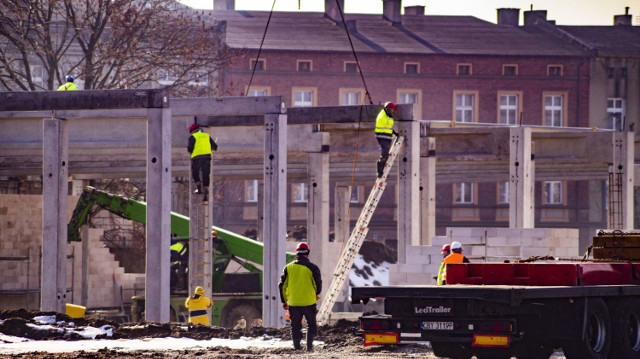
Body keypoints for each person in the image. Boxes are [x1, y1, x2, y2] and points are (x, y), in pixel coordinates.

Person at [279, 242, 322, 352]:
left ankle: (297, 347)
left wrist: (284, 301)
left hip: (293, 302)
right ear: (308, 253)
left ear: (297, 253)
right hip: (309, 301)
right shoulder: (313, 267)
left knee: (295, 325)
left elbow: (282, 285)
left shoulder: (288, 268)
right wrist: (316, 293)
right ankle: (309, 347)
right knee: (311, 324)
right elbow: (318, 284)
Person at [187, 123, 217, 201]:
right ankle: (206, 188)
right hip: (206, 157)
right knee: (205, 173)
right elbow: (215, 146)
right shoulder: (207, 136)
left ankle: (198, 186)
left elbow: (190, 149)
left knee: (195, 172)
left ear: (193, 131)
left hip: (196, 158)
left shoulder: (192, 137)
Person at [374, 102, 400, 178]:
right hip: (383, 137)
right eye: (392, 110)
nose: (393, 112)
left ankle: (382, 171)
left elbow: (387, 128)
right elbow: (388, 123)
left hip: (385, 136)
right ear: (388, 109)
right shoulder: (383, 116)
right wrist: (390, 116)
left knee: (386, 154)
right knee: (384, 154)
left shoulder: (385, 114)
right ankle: (380, 172)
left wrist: (394, 133)